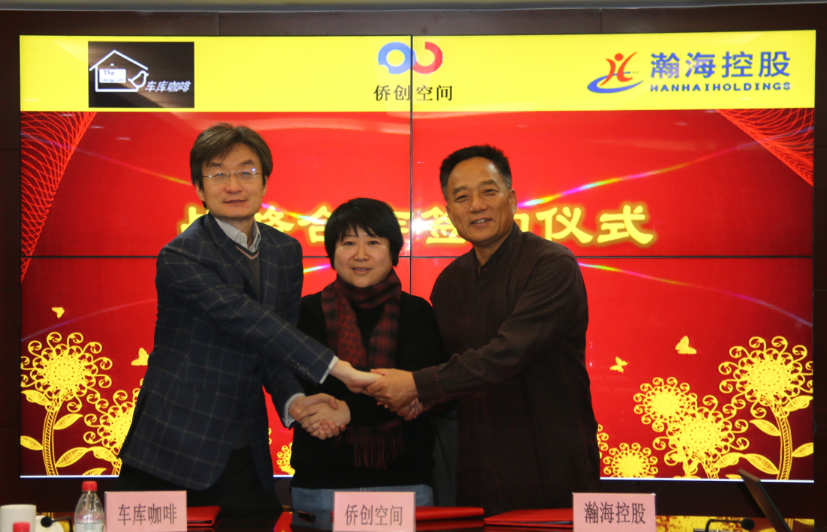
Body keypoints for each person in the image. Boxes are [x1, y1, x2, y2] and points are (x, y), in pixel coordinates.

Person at [115, 123, 376, 515]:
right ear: (199, 188)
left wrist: (294, 400)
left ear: (265, 181)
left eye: (246, 172)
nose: (234, 185)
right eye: (218, 174)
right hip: (170, 445)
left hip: (243, 445)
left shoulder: (284, 250)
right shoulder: (181, 256)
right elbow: (249, 320)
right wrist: (340, 369)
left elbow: (276, 346)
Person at [366, 145, 600, 515]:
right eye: (462, 197)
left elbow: (509, 352)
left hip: (549, 462)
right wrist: (423, 399)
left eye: (488, 191)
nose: (476, 205)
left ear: (512, 199)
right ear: (449, 212)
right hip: (476, 469)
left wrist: (417, 384)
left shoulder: (551, 264)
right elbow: (451, 366)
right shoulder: (450, 282)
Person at [289, 198, 445, 527]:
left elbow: (414, 387)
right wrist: (379, 391)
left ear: (394, 251)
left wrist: (346, 409)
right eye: (348, 243)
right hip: (320, 483)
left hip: (403, 481)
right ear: (332, 252)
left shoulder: (417, 313)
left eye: (373, 242)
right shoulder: (306, 312)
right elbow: (307, 386)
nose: (360, 254)